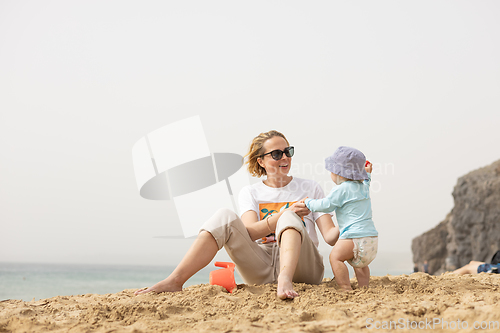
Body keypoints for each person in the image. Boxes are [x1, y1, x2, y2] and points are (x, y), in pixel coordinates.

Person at [135, 130, 339, 299]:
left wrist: (356, 221)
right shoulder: (251, 192)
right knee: (224, 215)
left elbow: (330, 237)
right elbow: (249, 233)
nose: (285, 157)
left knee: (289, 217)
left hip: (303, 268)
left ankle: (285, 279)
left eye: (288, 151)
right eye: (276, 154)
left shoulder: (310, 188)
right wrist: (282, 215)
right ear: (261, 161)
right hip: (262, 264)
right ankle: (175, 280)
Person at [303, 146, 378, 291]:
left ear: (340, 174)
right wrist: (367, 173)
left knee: (335, 258)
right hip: (371, 239)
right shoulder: (363, 186)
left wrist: (308, 202)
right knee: (360, 264)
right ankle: (364, 287)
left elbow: (326, 205)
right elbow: (367, 181)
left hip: (353, 237)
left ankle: (344, 287)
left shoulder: (341, 189)